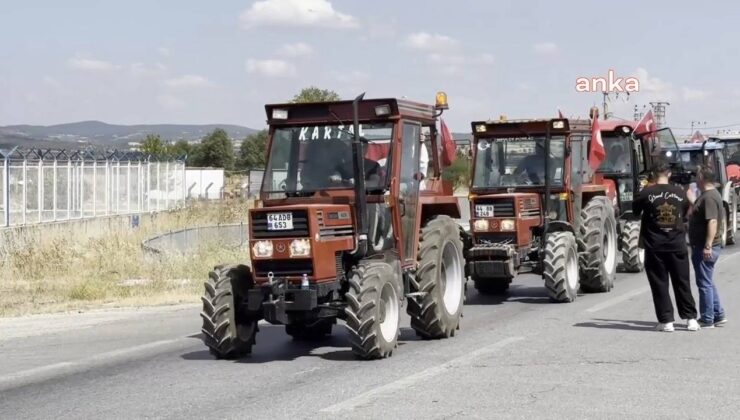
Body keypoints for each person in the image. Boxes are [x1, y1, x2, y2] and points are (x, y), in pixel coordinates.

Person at [633, 160, 700, 332]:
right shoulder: (680, 191)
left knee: (659, 284)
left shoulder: (646, 192)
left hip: (655, 245)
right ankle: (691, 319)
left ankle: (666, 321)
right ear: (669, 174)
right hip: (677, 243)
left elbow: (634, 211)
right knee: (682, 282)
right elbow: (685, 213)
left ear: (653, 175)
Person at [687, 165, 728, 328]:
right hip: (705, 245)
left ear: (702, 178)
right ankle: (718, 315)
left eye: (697, 176)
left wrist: (708, 246)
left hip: (705, 246)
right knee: (708, 281)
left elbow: (712, 221)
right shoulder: (707, 196)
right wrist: (692, 199)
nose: (695, 179)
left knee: (704, 284)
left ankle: (707, 318)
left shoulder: (709, 197)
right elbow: (700, 210)